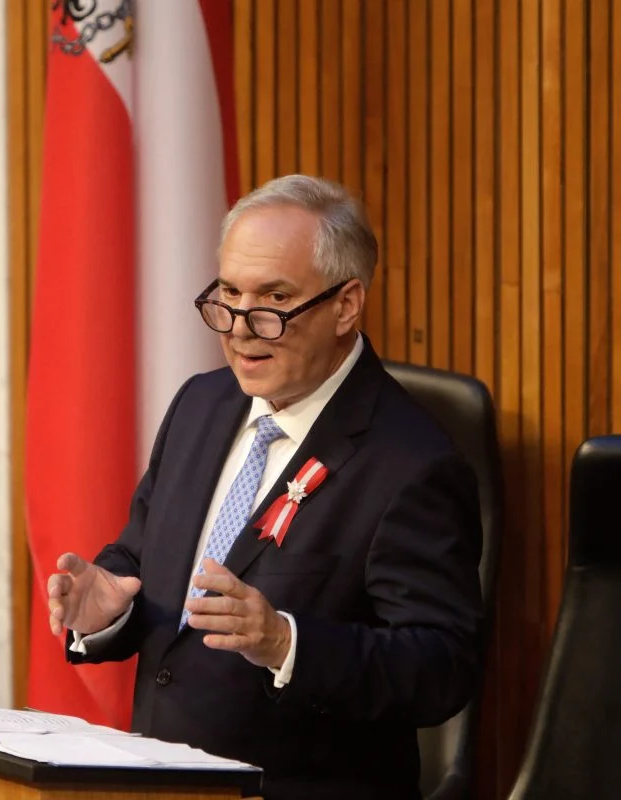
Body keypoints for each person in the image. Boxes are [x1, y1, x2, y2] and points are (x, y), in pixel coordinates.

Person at [46, 174, 484, 800]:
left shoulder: (412, 465)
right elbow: (139, 559)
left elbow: (442, 668)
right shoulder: (201, 404)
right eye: (227, 294)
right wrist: (107, 610)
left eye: (274, 300)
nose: (240, 328)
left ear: (346, 305)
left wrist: (286, 641)